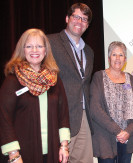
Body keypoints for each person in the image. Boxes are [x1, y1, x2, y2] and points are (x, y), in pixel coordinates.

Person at [0, 28, 70, 163]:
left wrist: (64, 146)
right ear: (22, 49)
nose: (34, 50)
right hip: (22, 155)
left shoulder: (54, 79)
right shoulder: (13, 80)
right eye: (29, 46)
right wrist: (14, 154)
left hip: (53, 153)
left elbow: (63, 115)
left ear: (45, 50)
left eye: (39, 46)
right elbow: (4, 118)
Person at [47, 3, 94, 163]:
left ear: (87, 25)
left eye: (84, 19)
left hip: (83, 118)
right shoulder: (49, 42)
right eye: (76, 17)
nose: (80, 22)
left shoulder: (89, 51)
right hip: (60, 115)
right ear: (67, 18)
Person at [90, 41, 133, 163]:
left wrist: (128, 131)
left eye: (121, 55)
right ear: (108, 58)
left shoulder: (130, 79)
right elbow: (95, 109)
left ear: (125, 59)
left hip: (126, 138)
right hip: (106, 137)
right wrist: (117, 131)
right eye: (114, 54)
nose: (118, 58)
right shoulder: (98, 77)